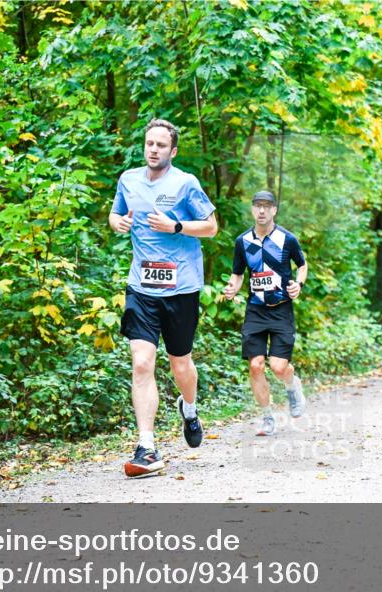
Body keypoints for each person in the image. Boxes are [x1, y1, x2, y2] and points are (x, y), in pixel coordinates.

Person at [109, 119, 218, 477]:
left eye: (160, 145)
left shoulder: (186, 184)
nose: (153, 149)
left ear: (172, 151)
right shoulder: (129, 179)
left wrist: (176, 226)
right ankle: (147, 447)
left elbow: (211, 227)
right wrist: (117, 222)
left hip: (181, 288)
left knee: (180, 364)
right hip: (141, 286)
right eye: (149, 143)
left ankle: (189, 407)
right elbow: (116, 212)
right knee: (142, 362)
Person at [222, 191, 308, 436]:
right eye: (257, 206)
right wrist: (232, 287)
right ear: (252, 210)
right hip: (255, 311)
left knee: (279, 367)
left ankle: (293, 387)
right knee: (256, 365)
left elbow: (302, 265)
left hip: (281, 310)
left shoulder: (287, 239)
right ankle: (267, 418)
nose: (261, 211)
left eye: (266, 206)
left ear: (274, 210)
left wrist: (297, 285)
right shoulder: (243, 241)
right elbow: (238, 273)